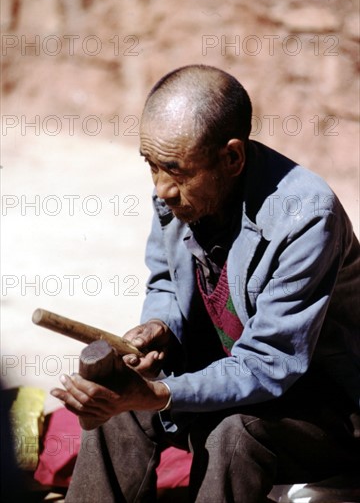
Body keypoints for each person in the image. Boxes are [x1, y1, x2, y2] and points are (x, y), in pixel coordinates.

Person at [51, 65, 360, 502]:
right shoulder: (178, 190)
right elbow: (165, 283)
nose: (161, 189)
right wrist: (158, 328)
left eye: (174, 171)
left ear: (232, 158)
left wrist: (159, 393)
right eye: (150, 166)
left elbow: (268, 365)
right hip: (230, 383)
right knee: (119, 406)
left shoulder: (305, 216)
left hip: (322, 411)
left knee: (233, 436)